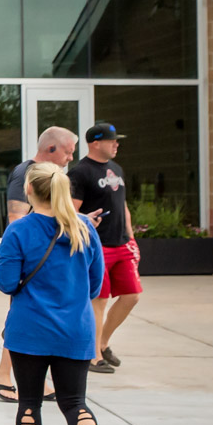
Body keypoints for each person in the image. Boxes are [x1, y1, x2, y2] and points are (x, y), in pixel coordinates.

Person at [0, 162, 112, 425]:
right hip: (75, 332)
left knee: (29, 402)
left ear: (29, 190)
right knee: (75, 402)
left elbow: (5, 283)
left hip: (29, 332)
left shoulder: (19, 231)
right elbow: (94, 286)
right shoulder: (85, 229)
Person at [0, 126, 80, 402]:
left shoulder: (48, 177)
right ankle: (5, 376)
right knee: (22, 319)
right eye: (67, 152)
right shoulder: (25, 174)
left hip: (41, 260)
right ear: (51, 149)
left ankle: (14, 377)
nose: (70, 159)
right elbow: (16, 220)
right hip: (31, 263)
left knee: (26, 319)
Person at [72, 123, 140, 374]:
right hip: (96, 247)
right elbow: (72, 210)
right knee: (98, 301)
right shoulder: (80, 172)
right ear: (95, 143)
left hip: (121, 243)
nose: (116, 144)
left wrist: (131, 239)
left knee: (131, 296)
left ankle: (103, 342)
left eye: (117, 140)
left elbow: (122, 206)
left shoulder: (116, 169)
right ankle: (93, 355)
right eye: (112, 140)